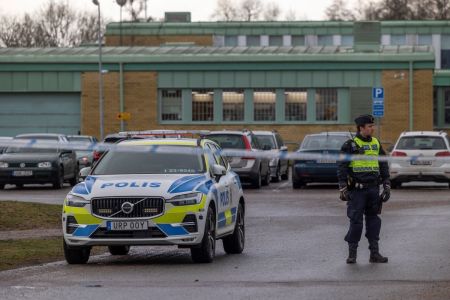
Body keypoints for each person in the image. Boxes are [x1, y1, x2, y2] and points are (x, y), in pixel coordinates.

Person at [337, 114, 391, 264]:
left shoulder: (376, 143)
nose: (373, 129)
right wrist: (342, 186)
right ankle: (352, 254)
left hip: (373, 189)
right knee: (356, 222)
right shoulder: (350, 145)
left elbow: (383, 164)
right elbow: (341, 166)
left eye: (373, 126)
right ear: (361, 128)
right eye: (370, 126)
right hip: (357, 191)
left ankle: (375, 254)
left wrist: (386, 184)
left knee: (374, 221)